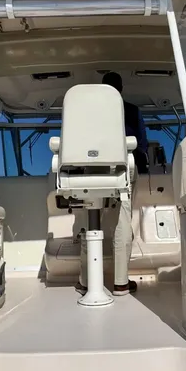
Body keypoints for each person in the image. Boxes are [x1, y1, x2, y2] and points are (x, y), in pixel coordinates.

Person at [76, 72, 143, 297]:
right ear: (120, 88)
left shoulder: (87, 112)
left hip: (89, 172)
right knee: (122, 222)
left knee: (89, 221)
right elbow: (140, 145)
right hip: (123, 168)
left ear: (103, 88)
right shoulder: (131, 110)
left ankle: (86, 282)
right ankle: (121, 283)